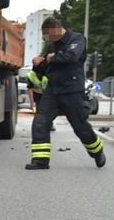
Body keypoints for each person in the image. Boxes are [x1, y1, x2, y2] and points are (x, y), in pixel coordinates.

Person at [26, 17, 105, 170]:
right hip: (53, 90)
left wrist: (52, 58)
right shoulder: (51, 45)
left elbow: (72, 57)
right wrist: (38, 64)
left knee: (80, 126)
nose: (46, 39)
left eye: (47, 35)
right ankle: (40, 161)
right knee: (40, 122)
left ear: (56, 29)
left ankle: (97, 152)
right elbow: (44, 70)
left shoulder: (77, 39)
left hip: (72, 90)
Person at [26, 67, 55, 131]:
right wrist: (32, 103)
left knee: (49, 109)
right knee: (39, 110)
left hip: (47, 94)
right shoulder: (31, 75)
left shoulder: (49, 74)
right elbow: (29, 89)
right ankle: (39, 125)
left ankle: (50, 124)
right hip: (37, 95)